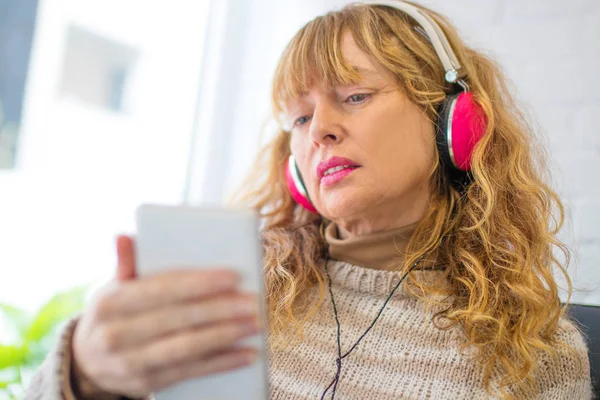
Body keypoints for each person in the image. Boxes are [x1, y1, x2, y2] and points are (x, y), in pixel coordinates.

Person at [26, 1, 592, 399]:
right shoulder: (236, 288)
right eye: (300, 116)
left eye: (354, 95)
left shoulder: (538, 356)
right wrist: (85, 375)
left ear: (454, 123)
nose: (319, 129)